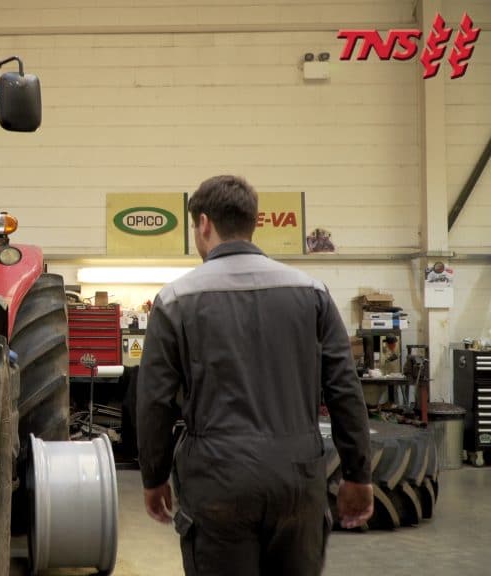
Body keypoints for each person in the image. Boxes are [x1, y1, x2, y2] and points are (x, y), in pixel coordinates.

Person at [137, 175, 373, 576]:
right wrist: (357, 473)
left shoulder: (175, 300)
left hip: (216, 481)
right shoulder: (312, 292)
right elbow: (344, 389)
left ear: (204, 224)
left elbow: (155, 400)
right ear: (254, 222)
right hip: (298, 477)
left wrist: (153, 476)